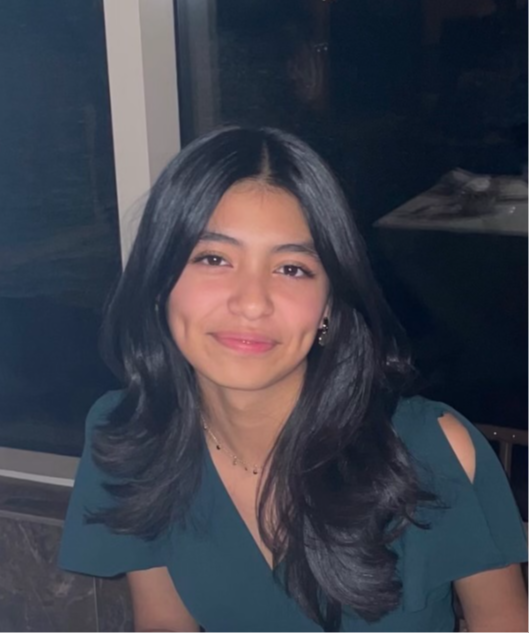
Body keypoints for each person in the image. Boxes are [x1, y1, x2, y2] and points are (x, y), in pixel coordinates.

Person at [59, 126, 529, 633]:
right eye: (214, 259)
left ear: (329, 303)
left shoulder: (431, 450)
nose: (252, 302)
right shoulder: (131, 435)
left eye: (291, 268)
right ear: (159, 284)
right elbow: (165, 622)